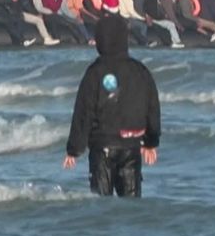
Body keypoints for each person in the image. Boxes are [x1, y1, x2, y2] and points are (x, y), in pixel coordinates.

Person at [62, 15, 160, 197]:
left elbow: (84, 112)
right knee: (131, 207)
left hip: (102, 148)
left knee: (101, 205)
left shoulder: (94, 72)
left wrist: (74, 149)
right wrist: (151, 142)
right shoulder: (140, 70)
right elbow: (152, 107)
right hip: (132, 147)